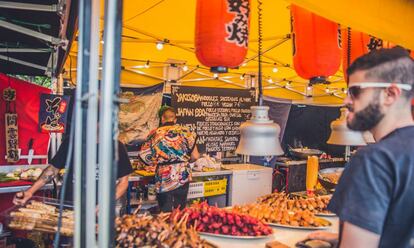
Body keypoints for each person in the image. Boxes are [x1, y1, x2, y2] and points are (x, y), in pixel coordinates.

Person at [308, 47, 414, 247]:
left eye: (355, 91)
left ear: (390, 94)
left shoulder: (373, 159)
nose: (346, 100)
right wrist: (338, 238)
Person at [13, 138, 133, 205]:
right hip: (71, 207)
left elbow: (123, 182)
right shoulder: (71, 142)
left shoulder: (116, 146)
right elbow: (53, 169)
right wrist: (30, 191)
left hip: (101, 211)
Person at [138, 106, 199, 212]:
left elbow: (145, 158)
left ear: (162, 119)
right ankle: (179, 227)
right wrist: (182, 161)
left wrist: (157, 161)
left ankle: (166, 227)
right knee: (180, 210)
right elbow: (195, 156)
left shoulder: (154, 134)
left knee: (165, 211)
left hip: (163, 178)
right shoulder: (186, 132)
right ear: (175, 119)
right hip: (182, 176)